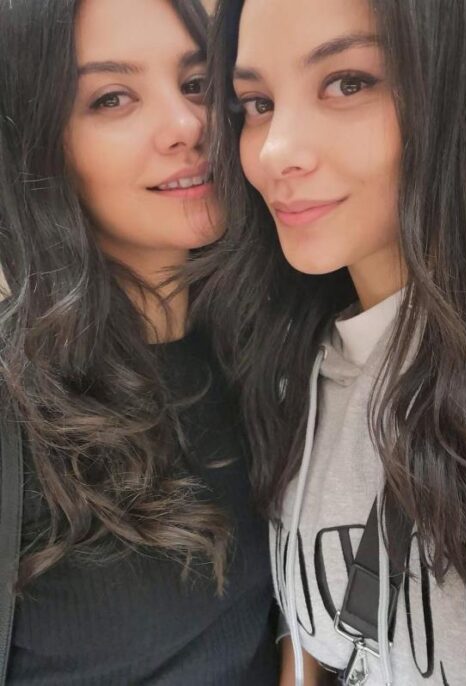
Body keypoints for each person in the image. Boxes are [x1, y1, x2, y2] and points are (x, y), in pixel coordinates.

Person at [203, 0, 466, 683]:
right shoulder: (290, 366)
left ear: (461, 89)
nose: (274, 152)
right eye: (258, 104)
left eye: (348, 83)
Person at [0, 0, 278, 683]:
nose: (187, 124)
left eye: (196, 83)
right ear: (38, 146)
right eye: (112, 98)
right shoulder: (16, 410)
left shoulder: (276, 348)